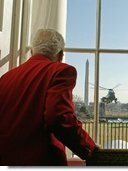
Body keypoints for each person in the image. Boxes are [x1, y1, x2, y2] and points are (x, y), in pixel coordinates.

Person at [0, 29, 98, 166]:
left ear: (32, 51)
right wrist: (90, 149)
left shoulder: (6, 78)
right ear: (60, 54)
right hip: (42, 161)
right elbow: (59, 117)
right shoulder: (60, 71)